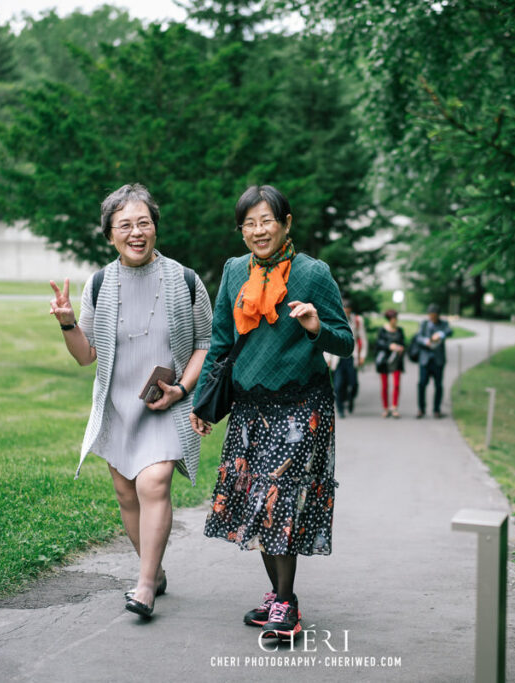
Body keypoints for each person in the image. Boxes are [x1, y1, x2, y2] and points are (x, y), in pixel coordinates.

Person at [189, 184, 353, 640]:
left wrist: (317, 326)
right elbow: (221, 343)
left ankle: (285, 603)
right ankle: (280, 596)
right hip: (249, 408)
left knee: (279, 501)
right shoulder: (234, 271)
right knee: (257, 505)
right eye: (249, 223)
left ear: (286, 223)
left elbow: (346, 341)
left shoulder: (312, 273)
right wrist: (204, 402)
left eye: (267, 221)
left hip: (303, 405)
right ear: (241, 229)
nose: (259, 231)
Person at [49, 183, 212, 618]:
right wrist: (68, 324)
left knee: (153, 483)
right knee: (126, 495)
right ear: (109, 234)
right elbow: (87, 356)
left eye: (144, 223)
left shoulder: (185, 280)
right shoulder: (99, 284)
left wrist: (182, 389)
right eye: (125, 225)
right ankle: (154, 571)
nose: (136, 232)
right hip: (118, 407)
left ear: (155, 228)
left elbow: (206, 343)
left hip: (166, 404)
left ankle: (143, 585)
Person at [328, 299, 367, 418]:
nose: (346, 313)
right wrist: (328, 358)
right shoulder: (334, 320)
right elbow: (329, 340)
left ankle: (350, 400)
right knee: (339, 385)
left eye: (348, 310)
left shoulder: (357, 321)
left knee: (353, 383)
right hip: (337, 357)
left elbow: (363, 339)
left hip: (351, 356)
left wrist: (362, 355)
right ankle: (340, 409)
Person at [416, 303, 453, 419]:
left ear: (438, 315)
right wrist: (426, 341)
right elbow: (418, 337)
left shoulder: (443, 324)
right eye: (430, 315)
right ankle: (421, 409)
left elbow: (449, 332)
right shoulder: (424, 324)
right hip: (425, 359)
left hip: (438, 360)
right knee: (422, 384)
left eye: (434, 315)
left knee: (438, 385)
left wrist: (440, 335)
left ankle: (436, 409)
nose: (431, 317)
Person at [374, 308, 406, 418]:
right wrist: (389, 346)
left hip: (396, 360)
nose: (395, 320)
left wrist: (400, 348)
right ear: (389, 319)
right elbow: (378, 344)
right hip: (384, 361)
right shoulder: (382, 330)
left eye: (396, 318)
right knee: (384, 386)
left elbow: (403, 343)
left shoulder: (400, 330)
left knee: (396, 384)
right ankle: (385, 408)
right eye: (393, 318)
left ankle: (394, 407)